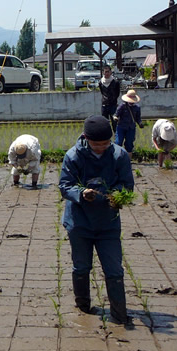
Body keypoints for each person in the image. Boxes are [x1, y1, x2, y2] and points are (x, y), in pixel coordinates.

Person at [59, 115, 134, 325]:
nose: (101, 147)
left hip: (108, 223)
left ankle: (120, 316)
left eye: (105, 143)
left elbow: (127, 184)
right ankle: (83, 307)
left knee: (114, 269)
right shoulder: (73, 156)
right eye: (96, 144)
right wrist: (82, 193)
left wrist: (116, 194)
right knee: (81, 266)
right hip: (80, 223)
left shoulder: (119, 156)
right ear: (85, 138)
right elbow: (65, 186)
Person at [113, 89, 143, 158]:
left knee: (129, 144)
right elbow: (116, 114)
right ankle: (117, 159)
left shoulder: (137, 108)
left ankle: (128, 161)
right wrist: (115, 118)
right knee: (118, 142)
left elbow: (138, 118)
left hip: (131, 128)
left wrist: (140, 123)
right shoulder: (122, 106)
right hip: (121, 127)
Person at [99, 65, 121, 131]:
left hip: (113, 105)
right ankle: (106, 139)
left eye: (108, 72)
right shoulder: (101, 82)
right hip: (104, 105)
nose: (107, 73)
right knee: (105, 124)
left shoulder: (115, 82)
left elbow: (117, 93)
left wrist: (113, 99)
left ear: (111, 72)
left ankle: (116, 139)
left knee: (115, 122)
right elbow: (102, 92)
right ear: (103, 72)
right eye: (105, 72)